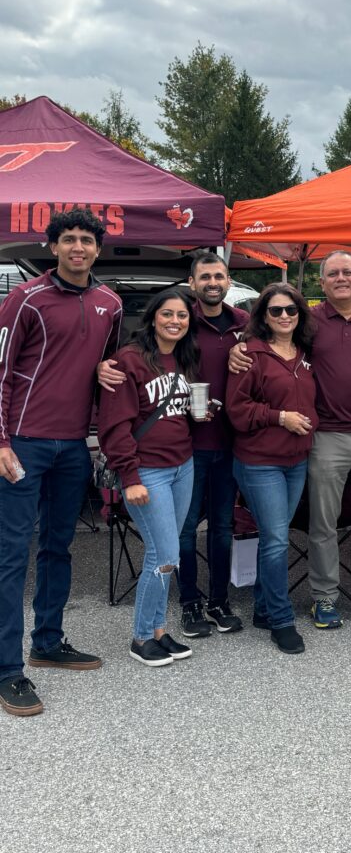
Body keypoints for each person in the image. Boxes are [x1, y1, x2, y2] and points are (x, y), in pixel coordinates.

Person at [231, 253, 351, 630]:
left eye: (347, 272)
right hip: (323, 437)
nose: (341, 278)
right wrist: (236, 349)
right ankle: (324, 599)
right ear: (322, 283)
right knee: (323, 522)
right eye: (332, 273)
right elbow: (268, 336)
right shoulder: (309, 320)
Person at [0, 209, 122, 718]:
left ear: (97, 248)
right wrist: (1, 442)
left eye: (86, 240)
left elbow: (107, 371)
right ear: (53, 247)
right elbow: (1, 373)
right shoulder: (24, 299)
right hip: (23, 444)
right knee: (11, 555)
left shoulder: (110, 303)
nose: (78, 247)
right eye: (68, 239)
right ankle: (7, 669)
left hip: (74, 445)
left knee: (58, 546)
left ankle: (47, 640)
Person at [98, 289, 198, 668]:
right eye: (168, 314)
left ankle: (158, 630)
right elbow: (114, 424)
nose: (175, 321)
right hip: (148, 472)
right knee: (164, 554)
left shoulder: (185, 358)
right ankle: (141, 636)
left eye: (183, 316)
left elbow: (174, 409)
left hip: (182, 466)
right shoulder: (129, 359)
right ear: (153, 317)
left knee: (166, 554)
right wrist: (130, 475)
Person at [227, 284, 317, 655]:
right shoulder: (249, 354)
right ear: (263, 315)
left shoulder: (305, 353)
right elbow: (237, 410)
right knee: (278, 539)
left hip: (297, 460)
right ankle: (281, 619)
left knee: (273, 538)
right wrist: (279, 417)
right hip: (259, 461)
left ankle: (264, 608)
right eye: (276, 311)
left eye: (291, 310)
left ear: (300, 314)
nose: (284, 316)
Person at [178, 251, 249, 639]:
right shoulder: (180, 320)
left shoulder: (245, 324)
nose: (212, 282)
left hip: (231, 442)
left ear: (228, 281)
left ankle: (219, 600)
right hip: (186, 445)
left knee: (222, 526)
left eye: (219, 276)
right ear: (193, 283)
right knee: (186, 528)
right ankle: (189, 602)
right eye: (205, 276)